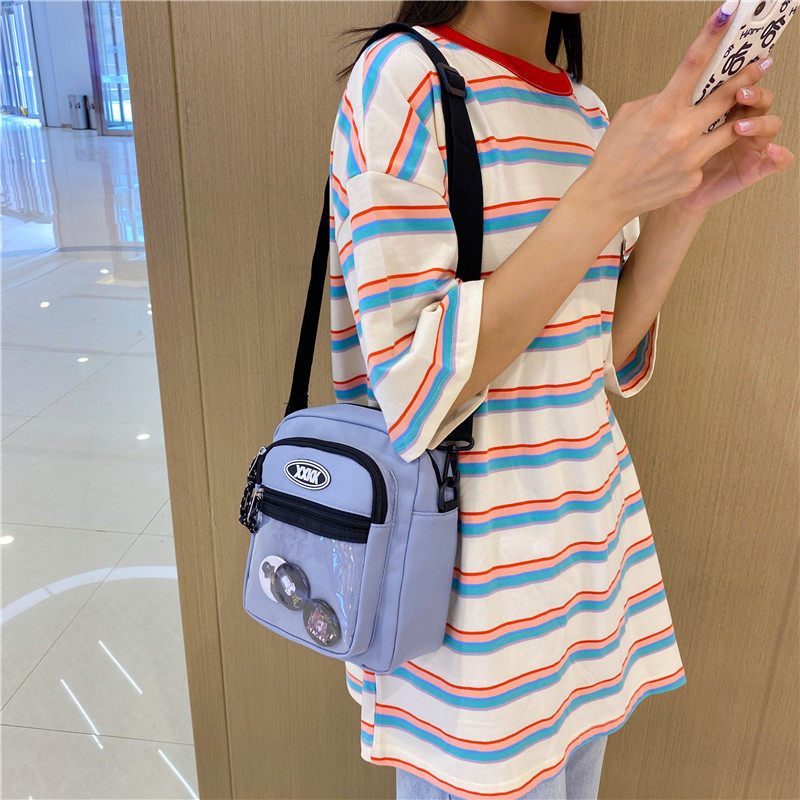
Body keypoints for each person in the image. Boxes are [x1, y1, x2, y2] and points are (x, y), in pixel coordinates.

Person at [326, 2, 793, 799]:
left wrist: (682, 205)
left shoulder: (586, 112)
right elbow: (415, 394)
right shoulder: (405, 80)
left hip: (581, 578)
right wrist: (603, 197)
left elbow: (597, 353)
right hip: (468, 620)